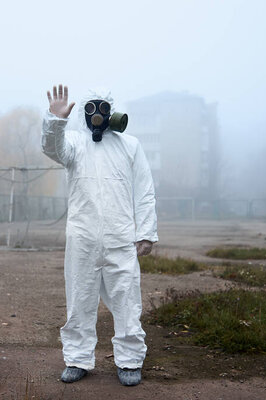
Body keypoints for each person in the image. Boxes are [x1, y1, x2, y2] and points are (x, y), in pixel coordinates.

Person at [41, 84, 158, 386]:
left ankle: (130, 361)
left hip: (121, 238)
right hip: (83, 238)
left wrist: (145, 232)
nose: (97, 114)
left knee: (127, 300)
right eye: (90, 108)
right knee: (79, 299)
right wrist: (56, 120)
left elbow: (144, 191)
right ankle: (77, 359)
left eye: (102, 108)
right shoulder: (75, 144)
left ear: (110, 110)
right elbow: (52, 149)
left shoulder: (129, 145)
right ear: (84, 111)